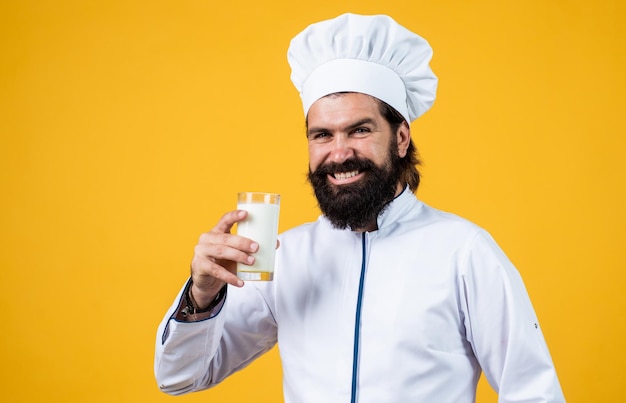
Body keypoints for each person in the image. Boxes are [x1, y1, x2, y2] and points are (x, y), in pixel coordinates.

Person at [155, 13, 565, 402]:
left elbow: (533, 391)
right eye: (322, 135)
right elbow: (180, 377)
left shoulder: (464, 252)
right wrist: (202, 295)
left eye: (360, 130)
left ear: (401, 137)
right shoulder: (285, 257)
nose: (339, 153)